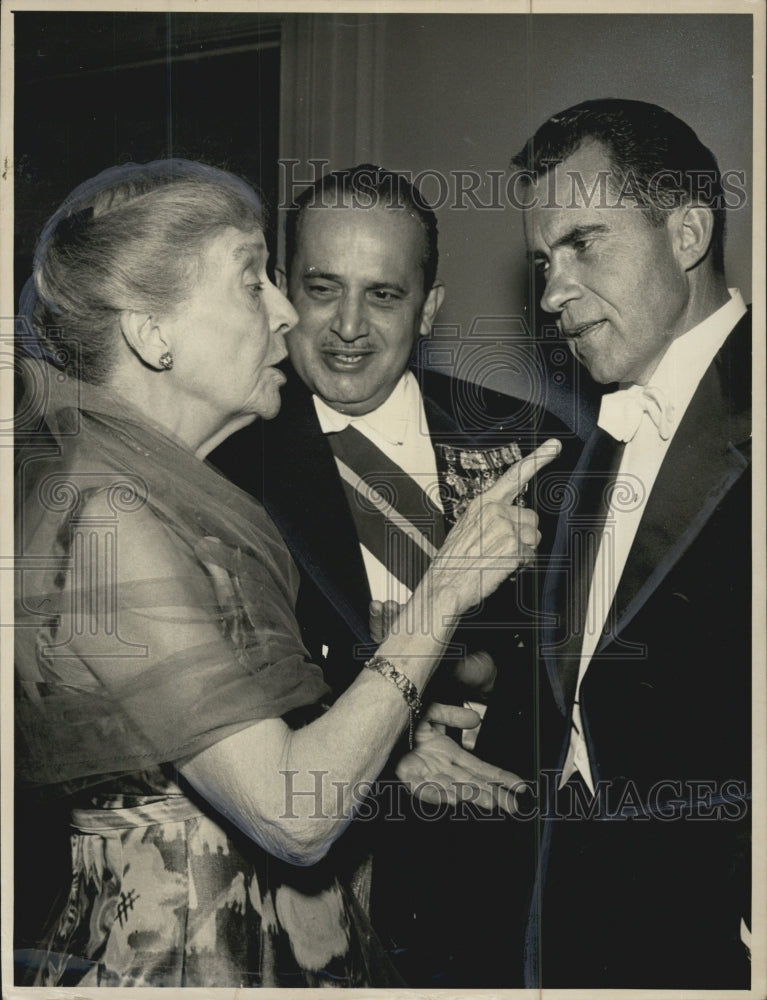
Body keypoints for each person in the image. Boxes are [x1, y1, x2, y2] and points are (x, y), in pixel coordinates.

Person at [13, 158, 559, 989]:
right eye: (253, 282)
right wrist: (444, 587)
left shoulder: (157, 497)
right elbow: (293, 816)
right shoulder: (108, 519)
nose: (285, 314)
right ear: (150, 332)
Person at [211, 164, 576, 985]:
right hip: (304, 899)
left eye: (382, 295)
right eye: (321, 288)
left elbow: (574, 668)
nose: (347, 326)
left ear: (430, 308)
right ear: (281, 292)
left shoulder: (529, 443)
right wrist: (386, 735)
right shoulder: (219, 460)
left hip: (494, 892)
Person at [497, 98, 751, 988]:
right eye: (541, 261)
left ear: (685, 233)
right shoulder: (591, 445)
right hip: (580, 925)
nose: (551, 292)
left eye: (583, 244)